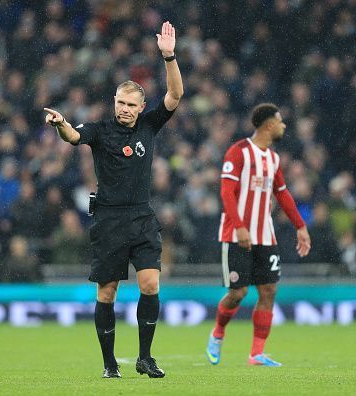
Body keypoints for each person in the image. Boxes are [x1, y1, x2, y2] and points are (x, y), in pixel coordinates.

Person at [44, 21, 183, 378]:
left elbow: (176, 96)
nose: (123, 108)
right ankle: (109, 364)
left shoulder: (149, 126)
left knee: (150, 284)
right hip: (108, 220)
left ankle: (145, 357)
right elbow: (74, 136)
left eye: (130, 104)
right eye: (119, 102)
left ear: (141, 107)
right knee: (107, 294)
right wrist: (61, 124)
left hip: (141, 217)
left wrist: (168, 57)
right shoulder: (100, 130)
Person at [206, 103, 311, 367]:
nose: (284, 125)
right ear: (268, 125)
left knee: (268, 290)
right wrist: (240, 226)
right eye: (280, 121)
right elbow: (226, 193)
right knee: (238, 293)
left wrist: (300, 226)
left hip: (265, 235)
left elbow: (283, 193)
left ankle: (256, 354)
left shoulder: (273, 159)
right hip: (235, 234)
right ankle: (217, 334)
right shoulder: (238, 152)